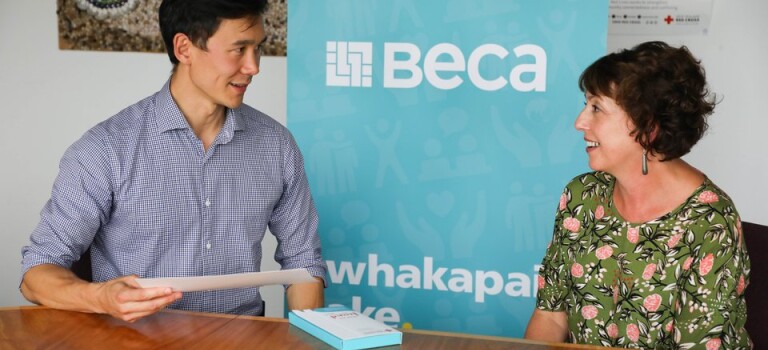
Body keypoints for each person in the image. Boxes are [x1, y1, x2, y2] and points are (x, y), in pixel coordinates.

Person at [20, 0, 326, 322]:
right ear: (184, 48)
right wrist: (102, 297)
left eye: (258, 49)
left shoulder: (276, 145)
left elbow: (303, 263)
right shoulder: (105, 149)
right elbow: (36, 275)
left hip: (242, 336)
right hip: (134, 339)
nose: (253, 66)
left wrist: (307, 341)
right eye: (238, 49)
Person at [525, 41, 751, 348]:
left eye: (596, 108)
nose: (580, 122)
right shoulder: (581, 197)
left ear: (648, 127)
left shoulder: (709, 223)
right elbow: (551, 316)